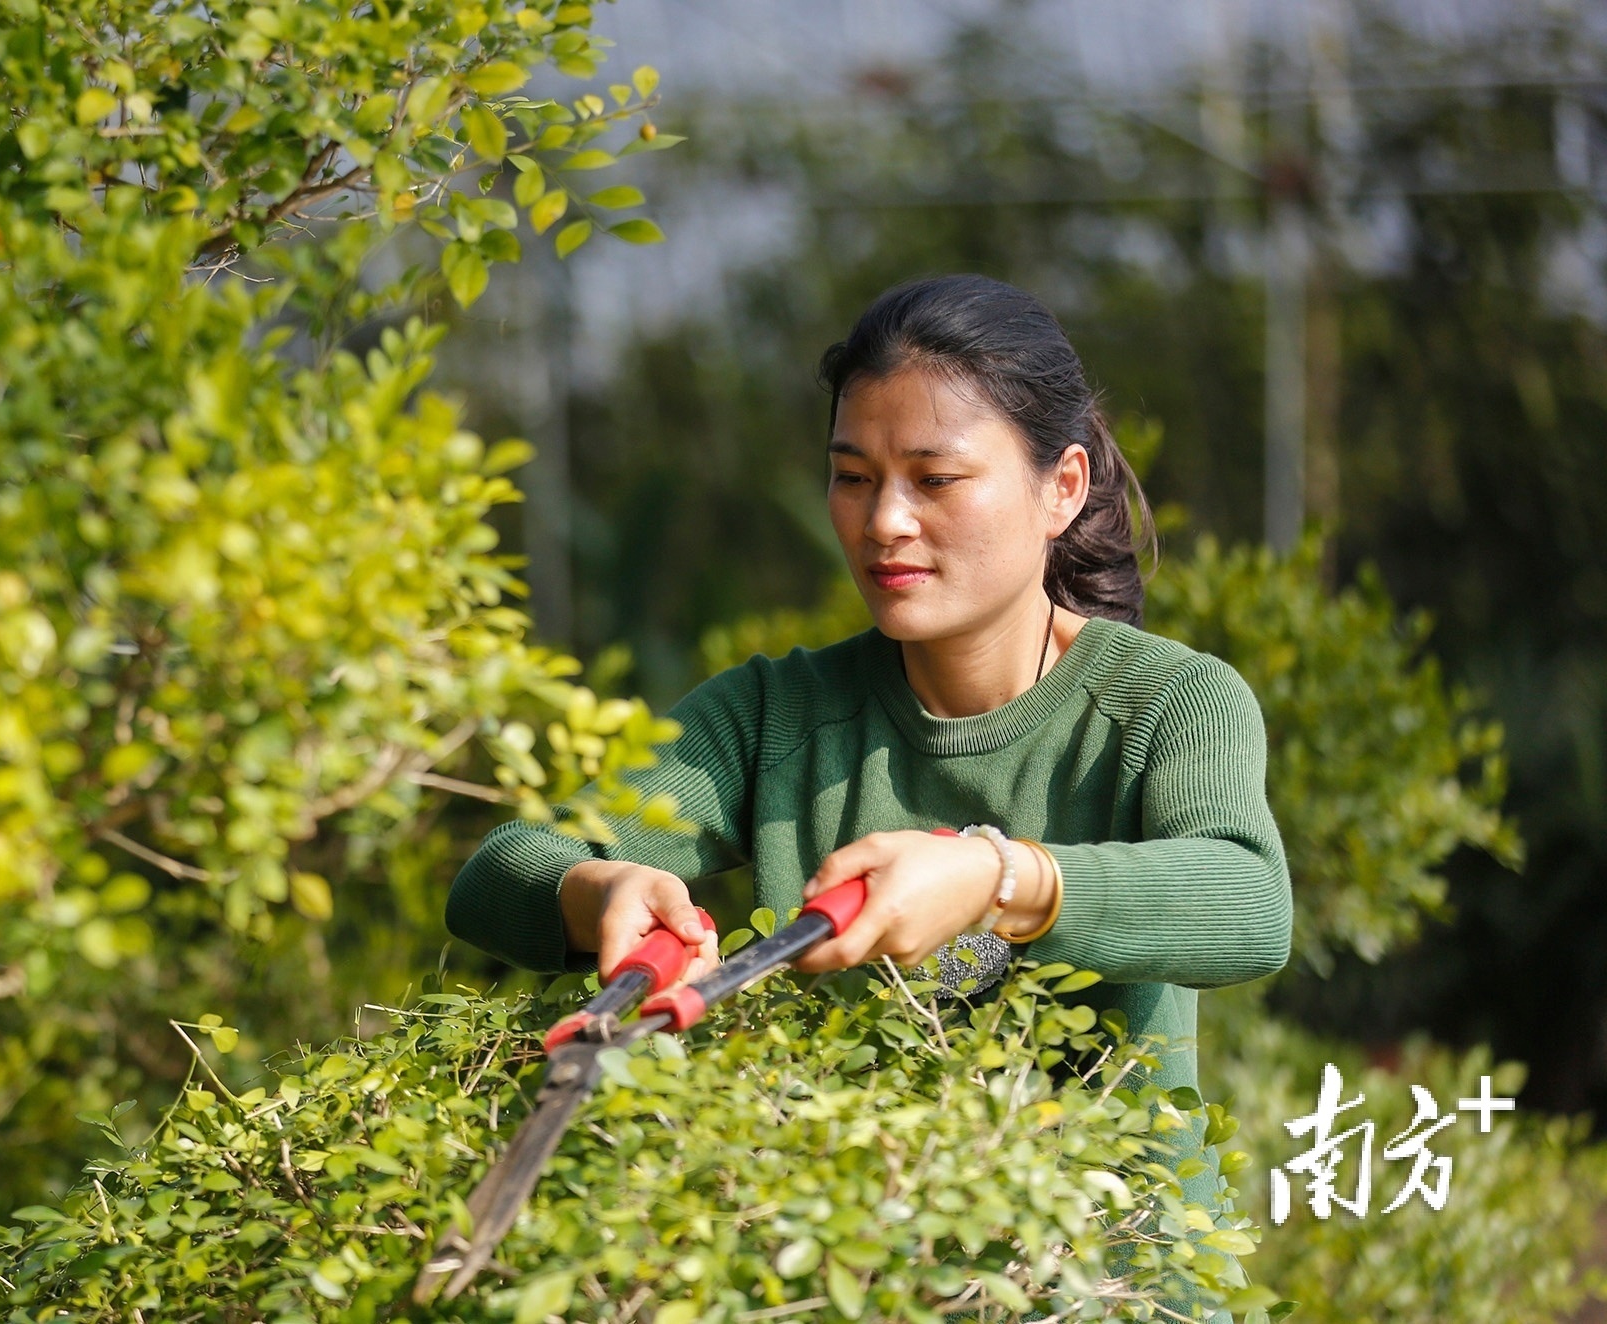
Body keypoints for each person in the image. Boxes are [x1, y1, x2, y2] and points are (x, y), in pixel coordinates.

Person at [446, 272, 1292, 1224]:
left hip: (1100, 1285)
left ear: (1061, 488)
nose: (884, 521)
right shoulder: (773, 715)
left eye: (934, 480)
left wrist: (994, 880)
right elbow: (499, 871)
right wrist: (596, 889)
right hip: (842, 1276)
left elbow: (1249, 904)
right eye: (854, 478)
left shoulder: (1173, 704)